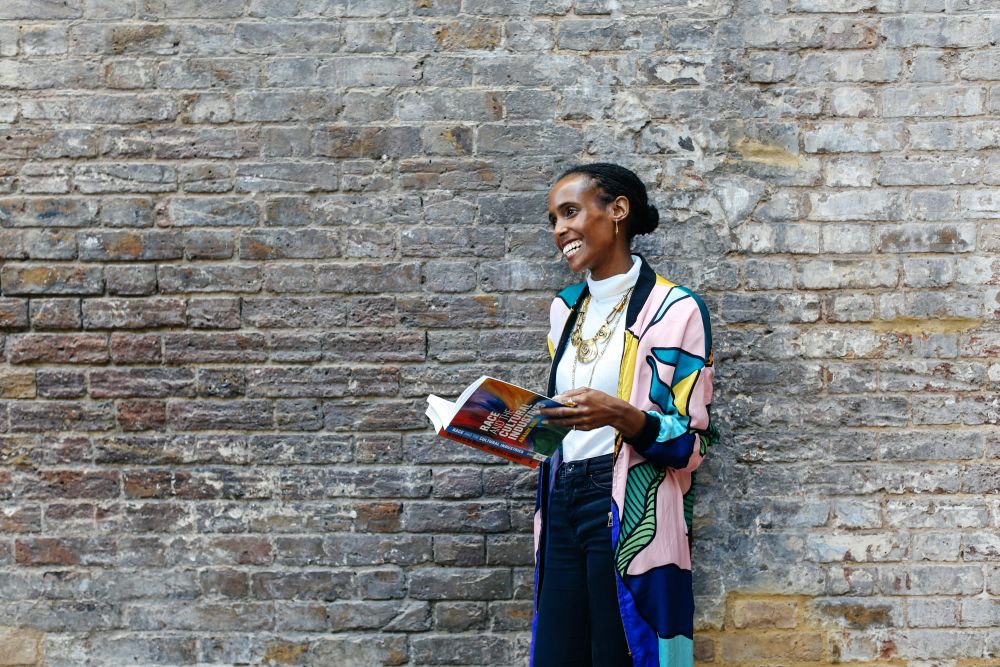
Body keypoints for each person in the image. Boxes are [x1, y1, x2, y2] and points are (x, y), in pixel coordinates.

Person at [533, 163, 718, 667]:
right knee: (557, 654)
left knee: (623, 653)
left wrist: (621, 415)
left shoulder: (676, 309)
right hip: (561, 497)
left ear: (617, 210)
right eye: (553, 220)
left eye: (570, 212)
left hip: (628, 504)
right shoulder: (565, 309)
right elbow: (564, 420)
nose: (559, 230)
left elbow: (692, 442)